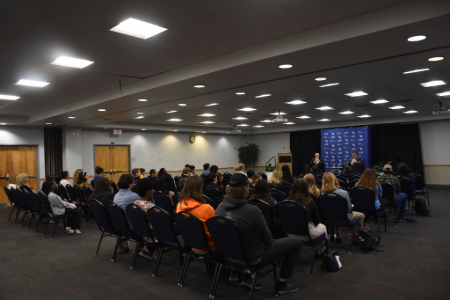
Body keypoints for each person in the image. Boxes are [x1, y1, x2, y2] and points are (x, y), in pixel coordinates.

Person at [215, 173, 302, 294]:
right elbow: (268, 238)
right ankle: (282, 284)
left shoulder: (220, 208)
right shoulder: (252, 211)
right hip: (253, 258)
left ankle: (245, 276)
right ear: (246, 189)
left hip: (229, 256)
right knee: (296, 242)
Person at [321, 172, 365, 244]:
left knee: (336, 211)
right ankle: (355, 236)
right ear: (334, 180)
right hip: (344, 217)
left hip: (330, 218)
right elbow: (349, 208)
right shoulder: (343, 193)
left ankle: (338, 235)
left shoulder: (322, 194)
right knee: (362, 215)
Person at [176, 176, 215, 253]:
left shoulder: (179, 205)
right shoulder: (206, 208)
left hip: (191, 244)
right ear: (199, 189)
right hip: (210, 247)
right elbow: (216, 232)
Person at [289, 179, 327, 255]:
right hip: (306, 234)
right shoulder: (310, 202)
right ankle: (320, 250)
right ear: (305, 189)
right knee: (323, 227)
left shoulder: (286, 202)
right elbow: (316, 221)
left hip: (290, 234)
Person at [134, 178, 158, 260]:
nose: (153, 191)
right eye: (152, 190)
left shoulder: (134, 204)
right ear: (148, 192)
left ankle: (146, 249)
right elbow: (158, 223)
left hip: (141, 232)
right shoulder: (151, 207)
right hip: (153, 235)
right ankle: (147, 250)